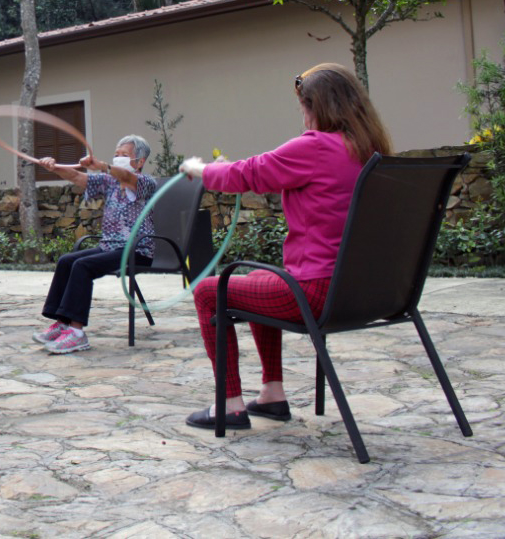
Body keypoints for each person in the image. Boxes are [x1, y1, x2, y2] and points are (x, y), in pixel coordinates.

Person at [178, 63, 391, 430]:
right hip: (367, 293)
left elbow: (250, 173)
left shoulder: (317, 147)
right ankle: (271, 396)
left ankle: (228, 405)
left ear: (316, 107)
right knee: (260, 281)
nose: (303, 118)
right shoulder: (372, 150)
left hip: (316, 292)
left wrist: (201, 171)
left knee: (210, 292)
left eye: (303, 109)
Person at [33, 134, 157, 354]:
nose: (118, 159)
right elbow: (78, 177)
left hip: (136, 250)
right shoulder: (109, 181)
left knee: (83, 266)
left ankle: (77, 333)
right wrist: (53, 167)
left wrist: (102, 166)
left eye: (124, 156)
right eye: (116, 155)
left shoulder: (146, 183)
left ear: (139, 162)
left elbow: (126, 177)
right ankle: (62, 324)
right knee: (66, 261)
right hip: (110, 246)